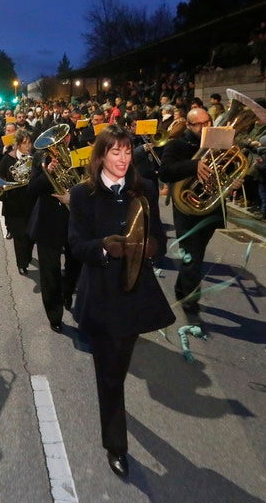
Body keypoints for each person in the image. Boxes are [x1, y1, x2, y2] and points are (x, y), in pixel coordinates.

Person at [68, 125, 174, 480]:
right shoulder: (82, 194)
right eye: (115, 152)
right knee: (109, 374)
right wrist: (103, 248)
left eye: (128, 152)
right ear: (101, 156)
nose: (123, 159)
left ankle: (114, 407)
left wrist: (152, 248)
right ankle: (116, 445)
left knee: (118, 368)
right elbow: (76, 244)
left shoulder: (143, 189)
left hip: (133, 294)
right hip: (99, 294)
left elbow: (158, 233)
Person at [159, 107, 222, 328]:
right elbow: (165, 172)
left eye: (208, 122)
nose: (205, 127)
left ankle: (181, 288)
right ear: (189, 125)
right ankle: (190, 300)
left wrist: (232, 181)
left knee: (196, 254)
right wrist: (193, 165)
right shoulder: (177, 144)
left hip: (210, 208)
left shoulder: (218, 145)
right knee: (192, 257)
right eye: (199, 124)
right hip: (187, 209)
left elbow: (224, 171)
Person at [27, 125, 80, 332]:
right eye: (59, 138)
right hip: (48, 222)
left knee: (75, 264)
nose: (62, 141)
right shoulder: (40, 159)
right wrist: (47, 172)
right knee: (50, 271)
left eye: (65, 137)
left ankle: (68, 293)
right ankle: (54, 314)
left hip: (74, 220)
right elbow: (32, 190)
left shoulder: (80, 154)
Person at [0, 129, 35, 274]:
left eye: (29, 143)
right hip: (14, 206)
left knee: (30, 236)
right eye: (25, 144)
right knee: (20, 237)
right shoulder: (8, 159)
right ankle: (22, 263)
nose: (28, 146)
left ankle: (27, 256)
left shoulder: (34, 158)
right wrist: (4, 193)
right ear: (18, 145)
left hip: (31, 204)